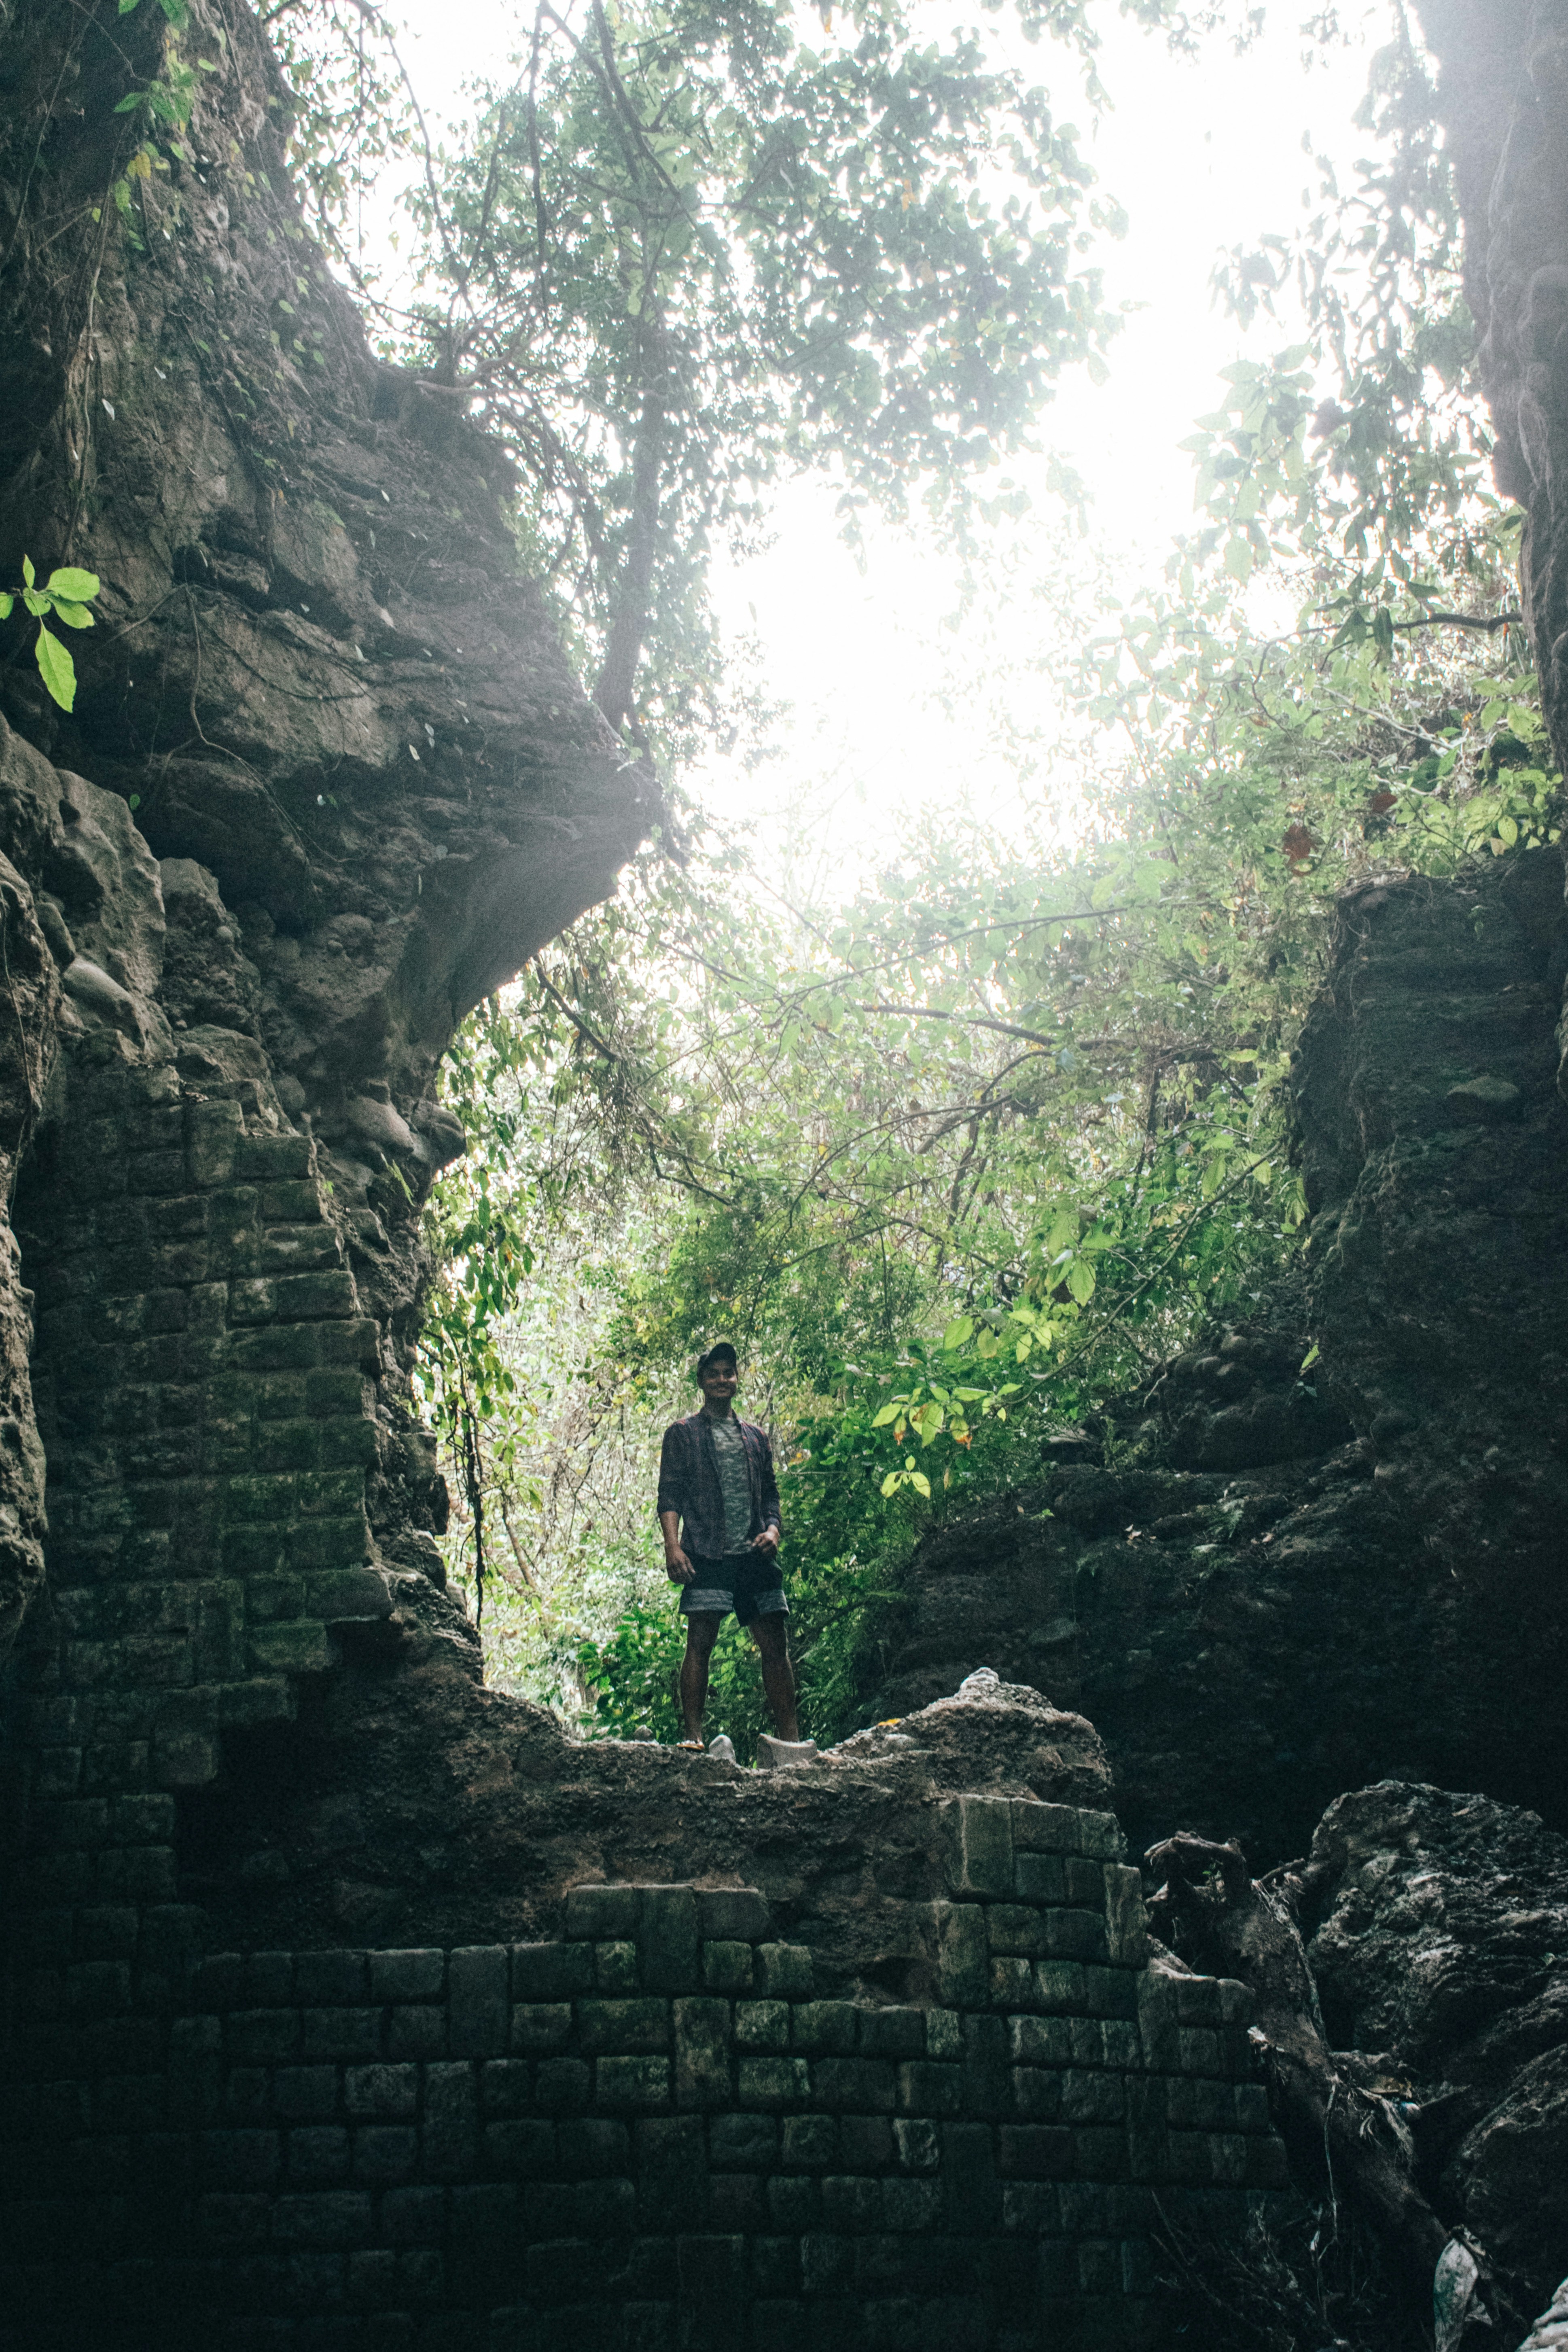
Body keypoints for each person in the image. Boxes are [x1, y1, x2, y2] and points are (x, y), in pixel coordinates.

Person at [656, 1341, 801, 1749]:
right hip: (706, 1551)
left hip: (754, 1554)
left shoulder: (756, 1438)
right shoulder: (683, 1434)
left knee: (775, 1644)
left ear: (737, 1379)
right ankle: (694, 1737)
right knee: (700, 1642)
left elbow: (771, 1496)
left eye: (729, 1372)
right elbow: (669, 1495)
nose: (722, 1380)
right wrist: (673, 1546)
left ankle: (791, 1741)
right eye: (714, 1373)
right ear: (702, 1381)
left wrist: (773, 1530)